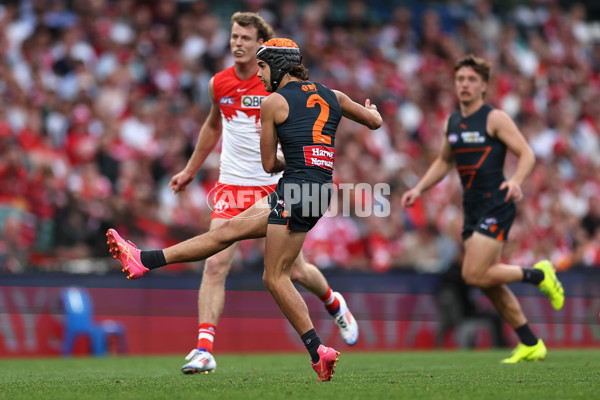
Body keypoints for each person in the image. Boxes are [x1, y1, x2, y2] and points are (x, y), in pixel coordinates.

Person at [106, 37, 382, 381]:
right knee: (227, 233)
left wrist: (288, 158)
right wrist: (372, 112)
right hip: (319, 190)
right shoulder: (333, 95)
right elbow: (373, 123)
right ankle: (145, 260)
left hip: (294, 187)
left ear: (279, 67)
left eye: (264, 67)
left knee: (275, 277)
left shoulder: (274, 103)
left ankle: (318, 351)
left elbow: (267, 164)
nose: (260, 74)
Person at [159, 13, 357, 375]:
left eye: (245, 39)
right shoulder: (220, 83)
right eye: (234, 36)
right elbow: (211, 125)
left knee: (293, 272)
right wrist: (189, 169)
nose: (237, 44)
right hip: (234, 183)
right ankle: (204, 349)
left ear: (261, 45)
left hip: (274, 184)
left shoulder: (277, 88)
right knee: (217, 260)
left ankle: (332, 301)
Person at [400, 54, 564, 363]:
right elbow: (445, 161)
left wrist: (516, 180)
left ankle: (538, 275)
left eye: (471, 79)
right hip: (472, 208)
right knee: (490, 282)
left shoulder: (494, 118)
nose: (464, 84)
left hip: (496, 202)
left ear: (484, 85)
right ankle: (530, 342)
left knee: (473, 274)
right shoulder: (453, 122)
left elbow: (526, 154)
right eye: (460, 79)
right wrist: (419, 188)